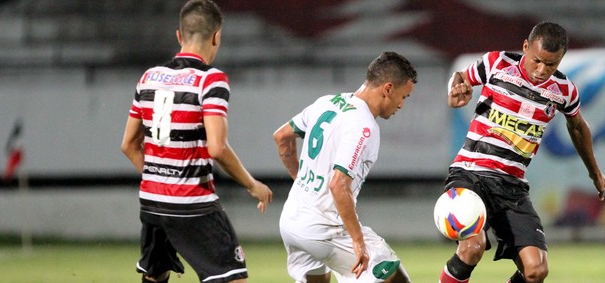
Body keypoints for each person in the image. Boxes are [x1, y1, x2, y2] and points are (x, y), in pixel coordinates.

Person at [439, 21, 605, 283]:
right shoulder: (497, 63)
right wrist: (455, 91)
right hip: (471, 174)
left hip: (512, 186)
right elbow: (462, 77)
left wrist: (595, 173)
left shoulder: (564, 91)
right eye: (537, 60)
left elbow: (578, 127)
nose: (542, 70)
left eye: (551, 64)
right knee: (472, 247)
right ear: (525, 47)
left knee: (536, 271)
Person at [120, 1, 273, 282]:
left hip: (152, 201)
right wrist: (252, 184)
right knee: (232, 277)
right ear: (217, 36)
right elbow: (217, 147)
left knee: (155, 275)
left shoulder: (148, 78)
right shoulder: (210, 80)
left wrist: (160, 178)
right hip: (192, 201)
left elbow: (128, 145)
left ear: (179, 36)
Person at [273, 51, 417, 283]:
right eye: (404, 96)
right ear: (388, 88)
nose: (402, 104)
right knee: (395, 278)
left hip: (291, 222)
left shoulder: (327, 102)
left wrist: (301, 180)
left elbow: (282, 137)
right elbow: (339, 185)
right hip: (324, 229)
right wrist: (358, 241)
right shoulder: (364, 125)